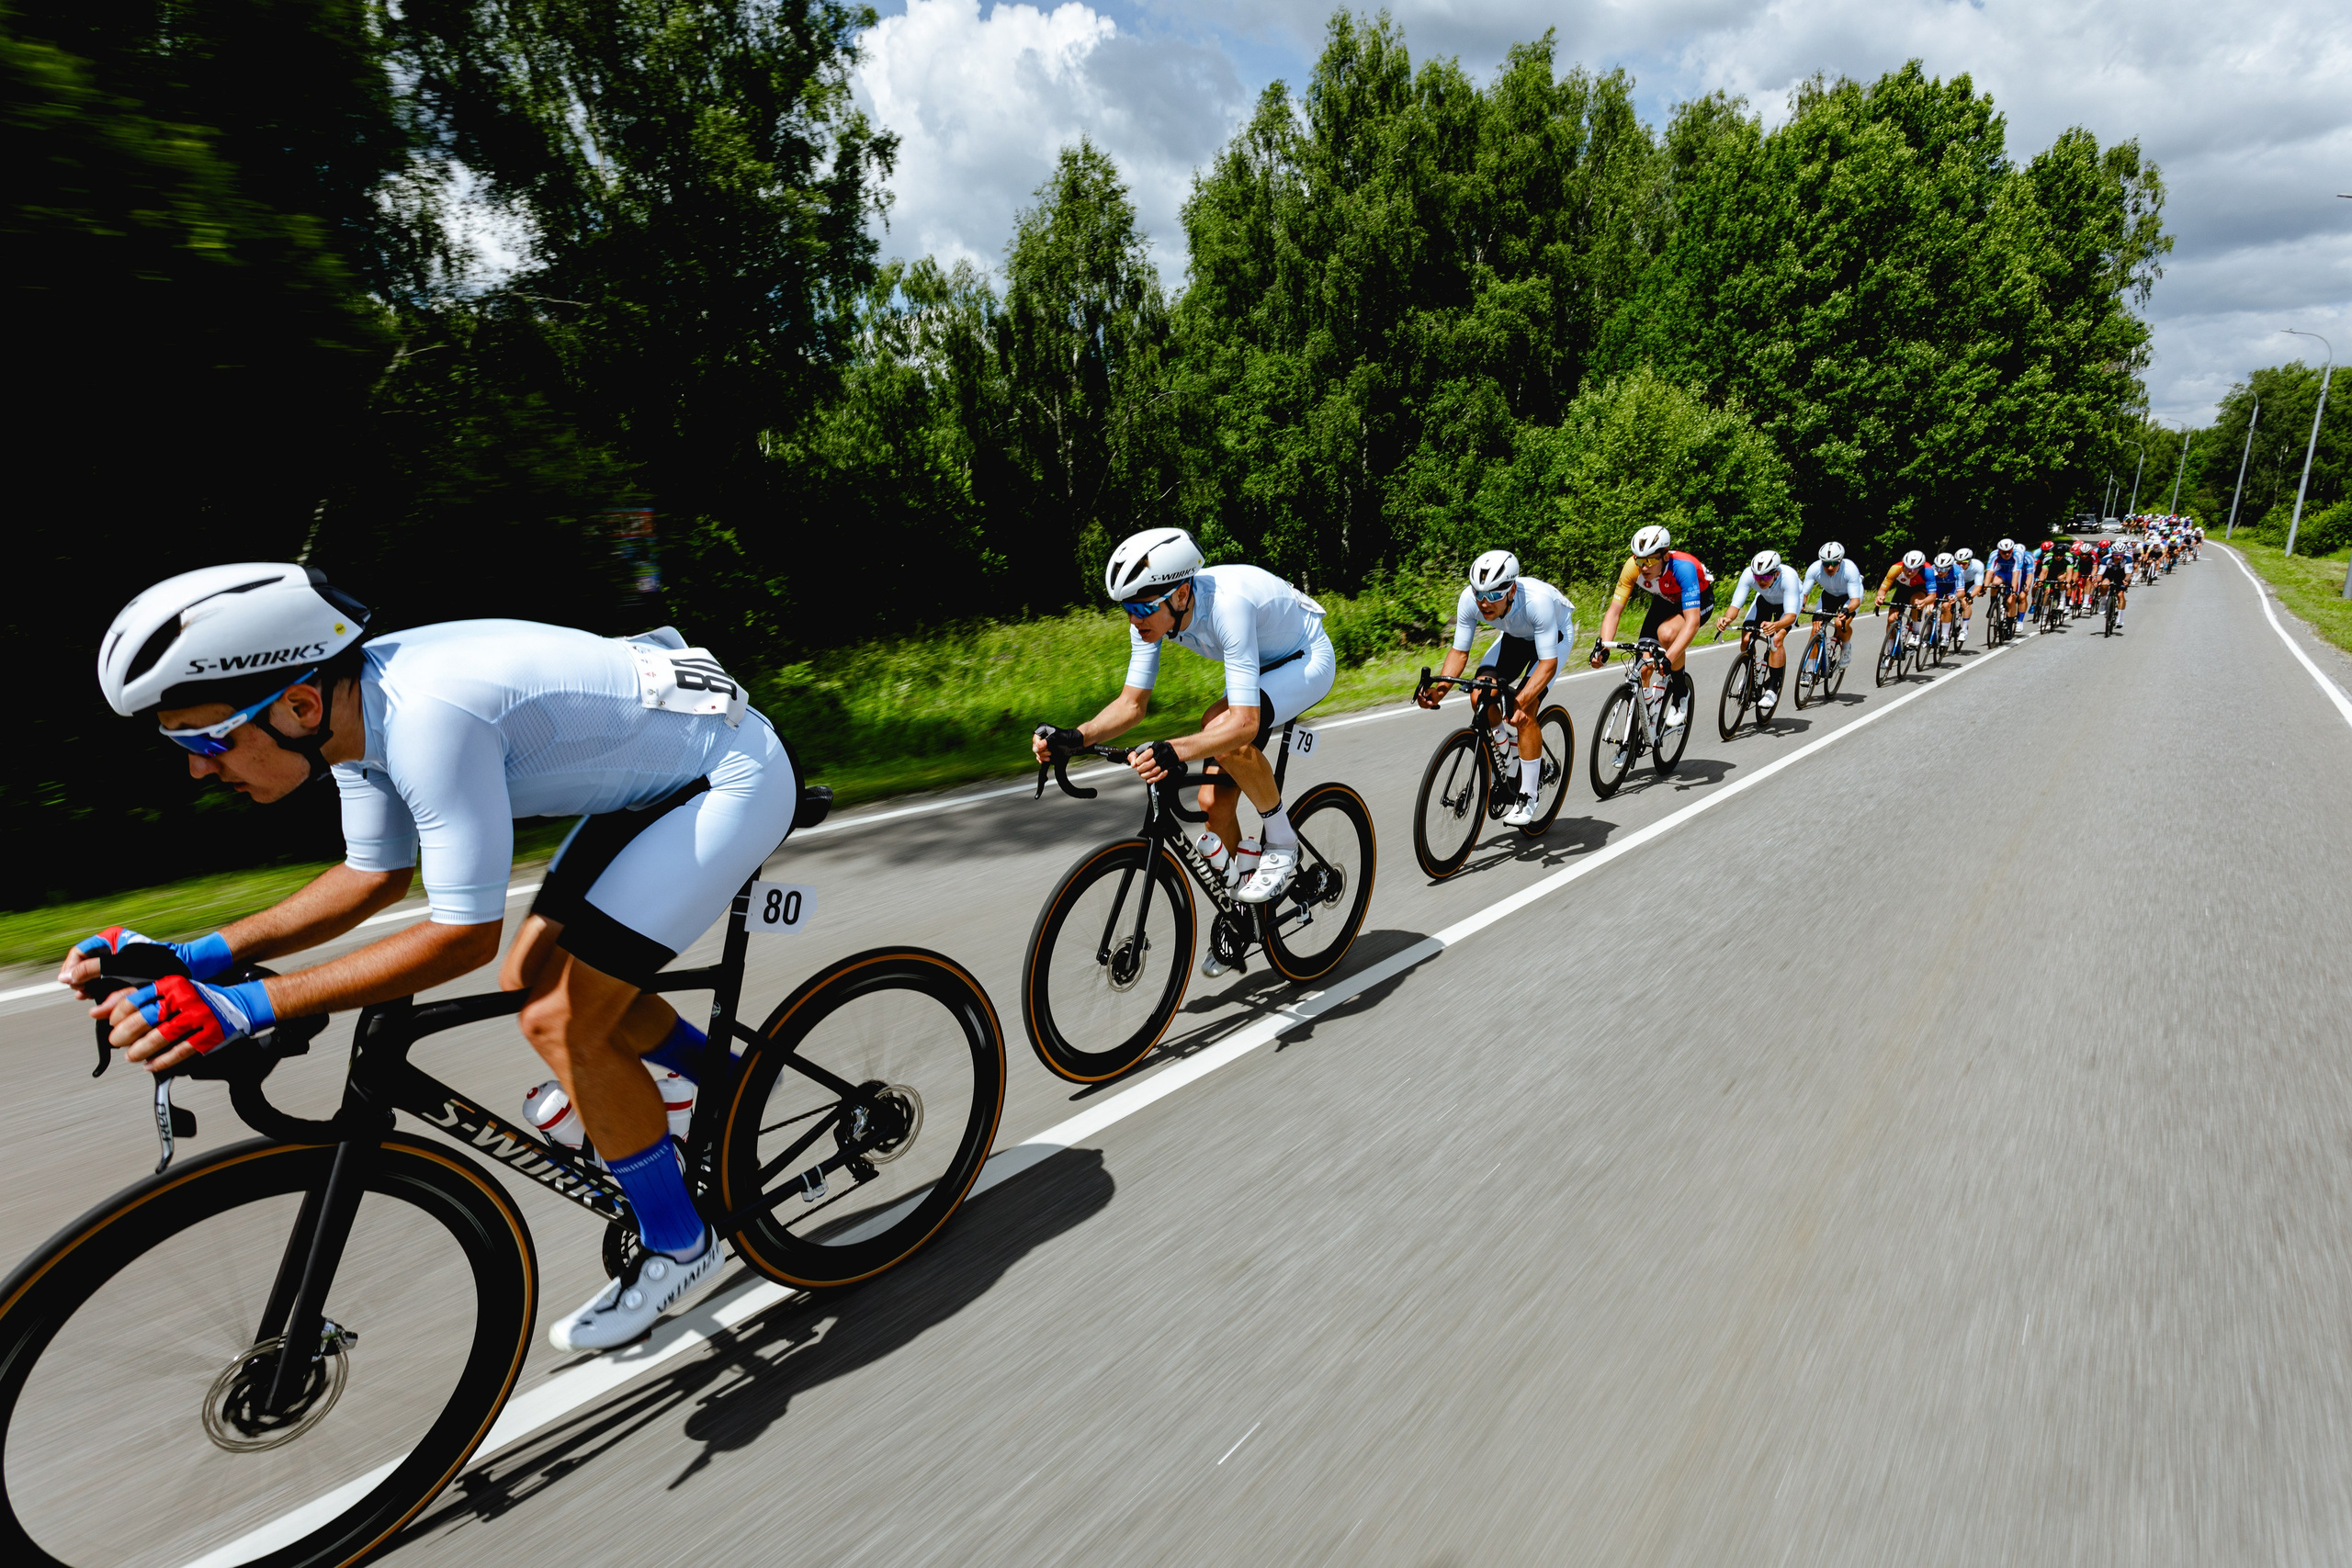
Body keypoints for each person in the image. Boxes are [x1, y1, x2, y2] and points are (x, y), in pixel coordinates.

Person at [68, 564, 804, 1353]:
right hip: (656, 778)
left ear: (299, 705)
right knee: (531, 982)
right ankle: (723, 1086)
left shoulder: (428, 721)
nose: (197, 767)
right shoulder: (352, 718)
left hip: (728, 778)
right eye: (179, 744)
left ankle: (681, 1244)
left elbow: (462, 936)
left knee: (566, 1020)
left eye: (206, 740)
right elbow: (372, 876)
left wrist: (248, 1004)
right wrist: (192, 956)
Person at [1036, 528, 1337, 935]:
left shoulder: (1228, 606)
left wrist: (1175, 750)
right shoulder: (1152, 618)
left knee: (1221, 727)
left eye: (1142, 609)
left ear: (1180, 596)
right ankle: (1246, 919)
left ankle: (1282, 841)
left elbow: (1244, 723)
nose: (1133, 619)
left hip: (1306, 659)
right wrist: (1076, 737)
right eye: (1127, 609)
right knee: (1212, 803)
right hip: (1260, 660)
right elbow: (1132, 705)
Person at [1419, 549, 1575, 826]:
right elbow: (1459, 652)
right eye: (1479, 594)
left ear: (1511, 590)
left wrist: (1520, 701)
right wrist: (1439, 691)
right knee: (1479, 695)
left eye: (1492, 595)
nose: (1484, 602)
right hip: (1515, 636)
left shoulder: (1537, 602)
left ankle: (1528, 796)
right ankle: (1508, 754)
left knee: (1523, 713)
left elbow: (1548, 664)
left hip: (1555, 638)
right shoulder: (1470, 600)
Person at [1589, 525, 1713, 728]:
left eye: (1650, 561)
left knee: (1667, 634)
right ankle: (1641, 726)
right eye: (1639, 560)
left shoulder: (1683, 568)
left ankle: (1680, 693)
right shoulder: (1632, 567)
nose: (1643, 567)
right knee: (1643, 668)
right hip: (1664, 600)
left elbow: (1692, 623)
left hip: (1698, 600)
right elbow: (1614, 612)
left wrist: (1669, 658)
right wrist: (1604, 648)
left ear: (1665, 556)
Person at [1714, 548, 1803, 712]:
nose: (1761, 581)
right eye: (1757, 577)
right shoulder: (1749, 574)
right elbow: (1735, 605)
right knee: (1746, 638)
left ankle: (1773, 687)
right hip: (1764, 600)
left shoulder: (1788, 578)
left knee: (1776, 639)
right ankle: (1751, 673)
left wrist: (1776, 625)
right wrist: (1727, 619)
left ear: (1776, 573)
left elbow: (1791, 616)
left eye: (1766, 577)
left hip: (1788, 606)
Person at [1800, 541, 1864, 669]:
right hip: (1829, 595)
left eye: (1834, 563)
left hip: (1849, 596)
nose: (1830, 567)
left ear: (1841, 561)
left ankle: (1846, 648)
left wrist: (1847, 610)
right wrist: (1800, 606)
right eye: (1826, 564)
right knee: (1816, 629)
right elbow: (1804, 594)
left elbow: (1855, 601)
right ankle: (1810, 670)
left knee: (1840, 623)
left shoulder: (1850, 569)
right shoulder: (1814, 569)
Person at [1872, 549, 1932, 651]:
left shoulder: (1928, 571)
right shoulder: (1895, 568)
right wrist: (1880, 597)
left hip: (1920, 589)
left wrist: (1924, 602)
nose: (1909, 572)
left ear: (1920, 568)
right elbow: (1882, 589)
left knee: (1916, 601)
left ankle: (1916, 633)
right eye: (1906, 568)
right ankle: (1890, 651)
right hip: (1903, 588)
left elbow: (1932, 596)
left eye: (1914, 570)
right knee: (1891, 620)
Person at [1984, 538, 2030, 635]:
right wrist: (1984, 587)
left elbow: (2016, 573)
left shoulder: (2018, 554)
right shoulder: (1994, 554)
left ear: (2012, 550)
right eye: (2003, 552)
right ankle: (1992, 604)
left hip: (2013, 574)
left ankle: (2009, 625)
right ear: (1999, 551)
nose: (2007, 554)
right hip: (2002, 572)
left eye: (2009, 551)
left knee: (2010, 600)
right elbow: (1990, 571)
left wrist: (2013, 590)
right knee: (1995, 583)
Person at [1952, 548, 1984, 649]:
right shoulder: (1952, 565)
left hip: (1971, 584)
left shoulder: (1978, 565)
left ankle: (1964, 629)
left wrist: (1970, 596)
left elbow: (1978, 586)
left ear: (1970, 561)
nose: (1961, 565)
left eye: (1964, 563)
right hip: (1958, 583)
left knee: (1965, 601)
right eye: (1958, 563)